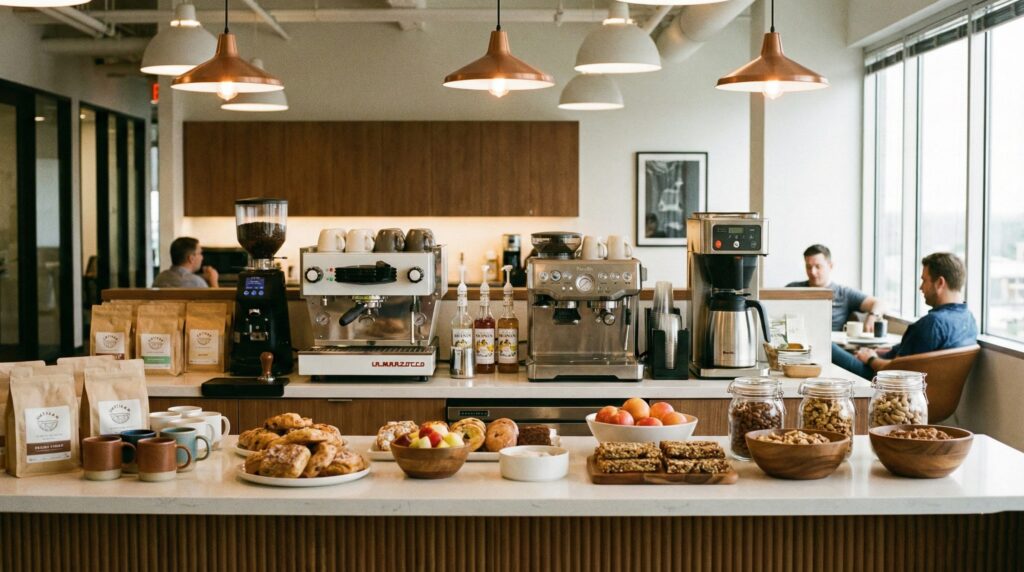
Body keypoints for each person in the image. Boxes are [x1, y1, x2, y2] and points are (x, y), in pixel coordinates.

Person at [832, 252, 978, 379]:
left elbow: (894, 371)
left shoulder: (932, 324)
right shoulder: (969, 319)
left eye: (924, 280)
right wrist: (876, 353)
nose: (921, 287)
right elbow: (911, 357)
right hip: (932, 392)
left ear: (940, 283)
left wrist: (870, 358)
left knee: (828, 348)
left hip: (887, 385)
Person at [787, 244, 886, 331]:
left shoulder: (843, 293)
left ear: (830, 266)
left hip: (830, 343)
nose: (812, 272)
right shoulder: (792, 289)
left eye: (818, 266)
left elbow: (879, 303)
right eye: (808, 267)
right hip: (796, 342)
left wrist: (873, 316)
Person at [152, 237, 219, 288]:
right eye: (200, 253)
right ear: (191, 258)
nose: (202, 258)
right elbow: (216, 302)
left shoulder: (160, 278)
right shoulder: (197, 283)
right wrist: (213, 282)